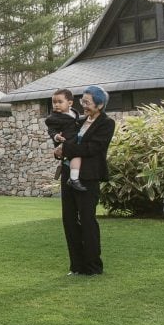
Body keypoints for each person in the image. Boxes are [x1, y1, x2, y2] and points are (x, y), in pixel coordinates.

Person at [54, 85, 115, 276]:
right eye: (83, 102)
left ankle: (93, 266)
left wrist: (66, 149)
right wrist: (58, 150)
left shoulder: (106, 123)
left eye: (88, 102)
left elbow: (92, 148)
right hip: (68, 175)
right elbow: (65, 141)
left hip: (88, 178)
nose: (84, 106)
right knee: (69, 221)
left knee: (87, 221)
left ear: (100, 105)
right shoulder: (78, 121)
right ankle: (76, 266)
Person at [46, 88, 86, 191]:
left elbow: (77, 122)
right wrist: (56, 136)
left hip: (74, 140)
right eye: (54, 102)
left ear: (70, 103)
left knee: (76, 157)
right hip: (66, 142)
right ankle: (73, 179)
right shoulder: (53, 118)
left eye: (60, 102)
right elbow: (51, 130)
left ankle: (73, 178)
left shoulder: (74, 112)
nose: (56, 105)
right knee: (76, 156)